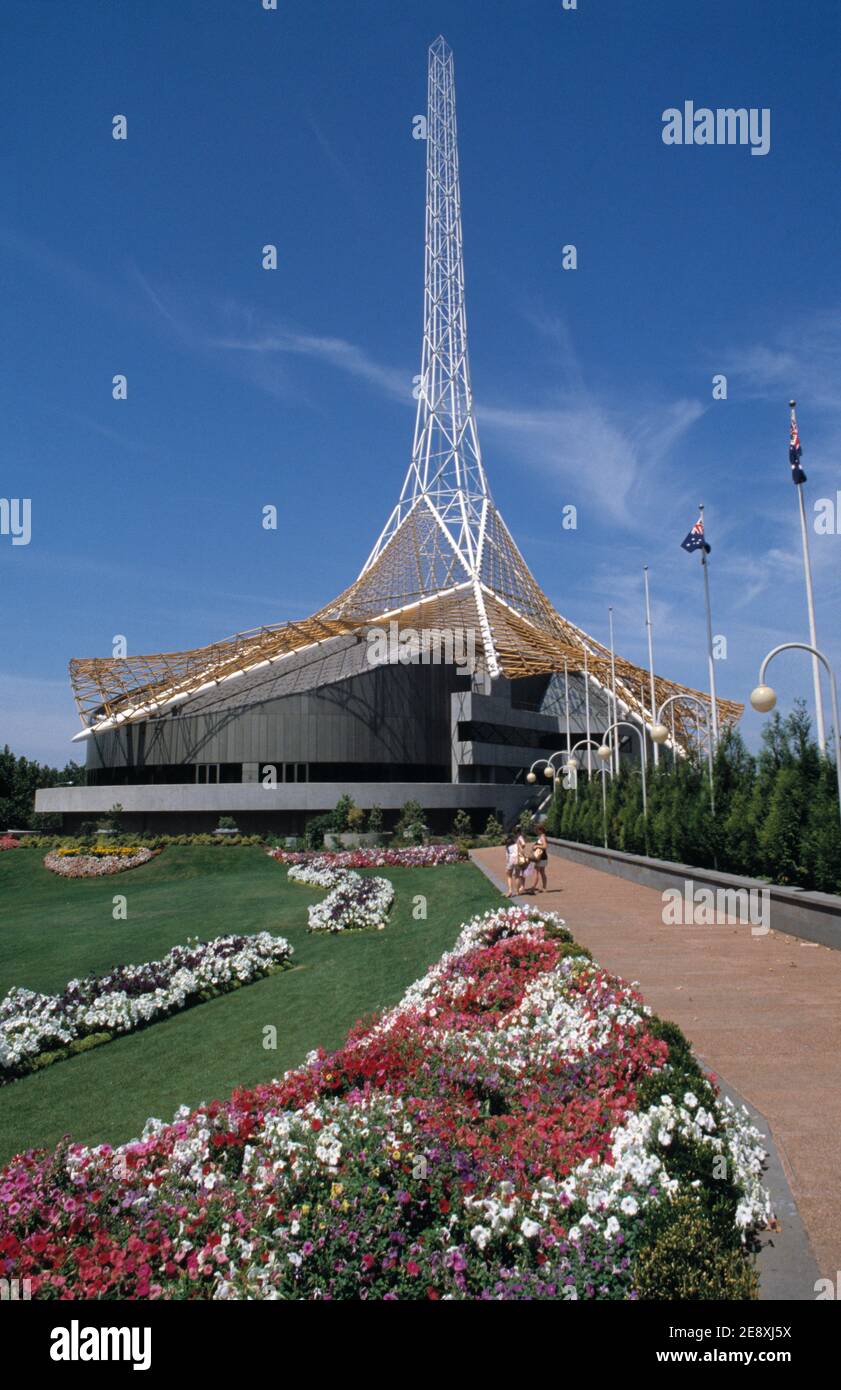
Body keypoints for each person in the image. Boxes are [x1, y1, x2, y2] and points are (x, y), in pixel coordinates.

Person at [531, 824, 549, 893]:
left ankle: (533, 888)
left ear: (540, 830)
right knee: (542, 872)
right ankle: (544, 888)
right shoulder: (543, 836)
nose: (536, 832)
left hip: (540, 858)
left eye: (537, 830)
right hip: (543, 857)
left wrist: (536, 846)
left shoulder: (542, 837)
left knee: (536, 872)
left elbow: (545, 846)